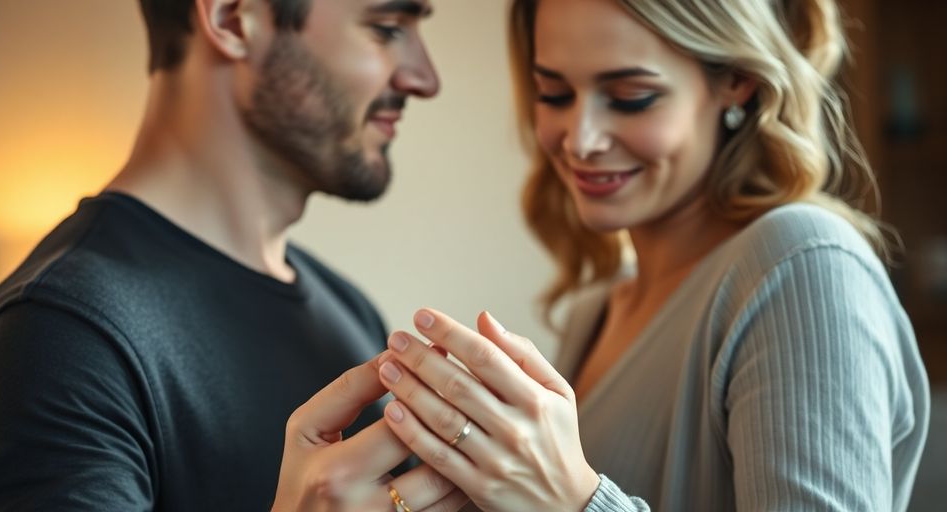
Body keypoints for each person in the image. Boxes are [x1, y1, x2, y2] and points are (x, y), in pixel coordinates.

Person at [373, 0, 930, 510]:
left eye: (630, 97)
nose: (581, 140)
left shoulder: (801, 265)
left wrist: (574, 502)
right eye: (555, 94)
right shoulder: (594, 312)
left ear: (736, 81)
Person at [0, 0, 467, 510]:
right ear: (233, 18)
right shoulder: (55, 345)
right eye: (387, 27)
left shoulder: (349, 311)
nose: (425, 79)